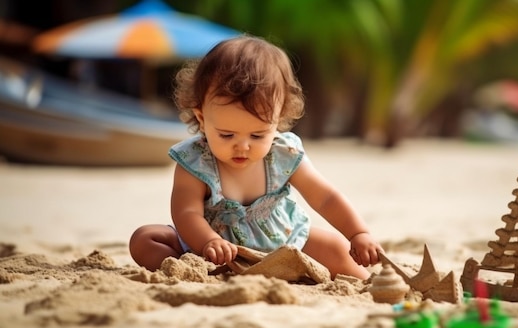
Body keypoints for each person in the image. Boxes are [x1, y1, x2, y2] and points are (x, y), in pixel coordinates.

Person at [129, 35, 382, 280]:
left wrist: (358, 232)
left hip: (283, 246)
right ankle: (204, 275)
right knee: (145, 238)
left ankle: (369, 283)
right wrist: (209, 241)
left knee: (336, 247)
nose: (243, 146)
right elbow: (186, 213)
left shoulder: (284, 154)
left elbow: (326, 198)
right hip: (213, 252)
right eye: (227, 135)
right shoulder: (195, 162)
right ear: (202, 119)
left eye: (258, 135)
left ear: (278, 119)